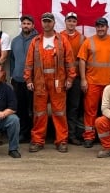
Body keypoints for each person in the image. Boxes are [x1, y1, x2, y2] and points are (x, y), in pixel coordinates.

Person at [24, 12, 76, 153]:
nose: (47, 24)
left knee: (59, 112)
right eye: (44, 21)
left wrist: (70, 78)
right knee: (39, 113)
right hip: (39, 82)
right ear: (41, 23)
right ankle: (37, 140)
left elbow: (69, 61)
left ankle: (62, 141)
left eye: (49, 21)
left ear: (54, 23)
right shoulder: (35, 41)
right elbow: (29, 63)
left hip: (58, 82)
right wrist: (28, 79)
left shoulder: (62, 40)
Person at [77, 17, 110, 148]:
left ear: (107, 27)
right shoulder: (89, 41)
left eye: (102, 26)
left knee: (109, 111)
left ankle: (108, 136)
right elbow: (82, 60)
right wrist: (83, 79)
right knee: (90, 111)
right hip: (92, 82)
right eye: (98, 26)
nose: (100, 28)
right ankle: (89, 136)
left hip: (109, 84)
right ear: (95, 28)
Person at [9, 15, 38, 143]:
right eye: (24, 23)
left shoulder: (38, 40)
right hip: (18, 80)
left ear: (33, 26)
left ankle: (35, 134)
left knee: (34, 109)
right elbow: (12, 60)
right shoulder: (15, 41)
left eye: (28, 23)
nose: (26, 25)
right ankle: (23, 133)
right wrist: (12, 74)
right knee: (20, 108)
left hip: (34, 81)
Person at [61, 12, 85, 145]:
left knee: (74, 107)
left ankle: (72, 134)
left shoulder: (82, 39)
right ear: (65, 22)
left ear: (76, 23)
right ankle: (61, 135)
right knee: (60, 107)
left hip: (75, 78)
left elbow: (83, 60)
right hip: (60, 77)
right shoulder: (58, 36)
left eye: (74, 21)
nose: (71, 23)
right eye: (69, 21)